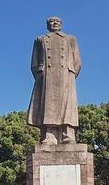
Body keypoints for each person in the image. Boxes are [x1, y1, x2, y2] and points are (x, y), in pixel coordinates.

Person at [27, 16, 81, 144]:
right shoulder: (40, 39)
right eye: (52, 21)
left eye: (58, 21)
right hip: (46, 78)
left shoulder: (70, 39)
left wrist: (70, 76)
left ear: (62, 24)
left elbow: (77, 62)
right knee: (48, 105)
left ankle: (67, 134)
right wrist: (41, 77)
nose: (55, 23)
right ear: (47, 25)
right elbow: (34, 64)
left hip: (66, 77)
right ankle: (49, 135)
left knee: (67, 106)